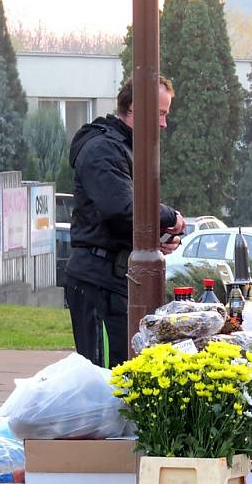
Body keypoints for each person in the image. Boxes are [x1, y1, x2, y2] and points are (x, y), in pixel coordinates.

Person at [64, 76, 185, 368]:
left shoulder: (125, 149)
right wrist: (171, 218)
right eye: (160, 113)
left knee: (125, 372)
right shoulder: (103, 149)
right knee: (108, 378)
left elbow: (119, 217)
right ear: (134, 109)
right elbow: (123, 209)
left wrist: (151, 239)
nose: (163, 124)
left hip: (114, 278)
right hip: (99, 282)